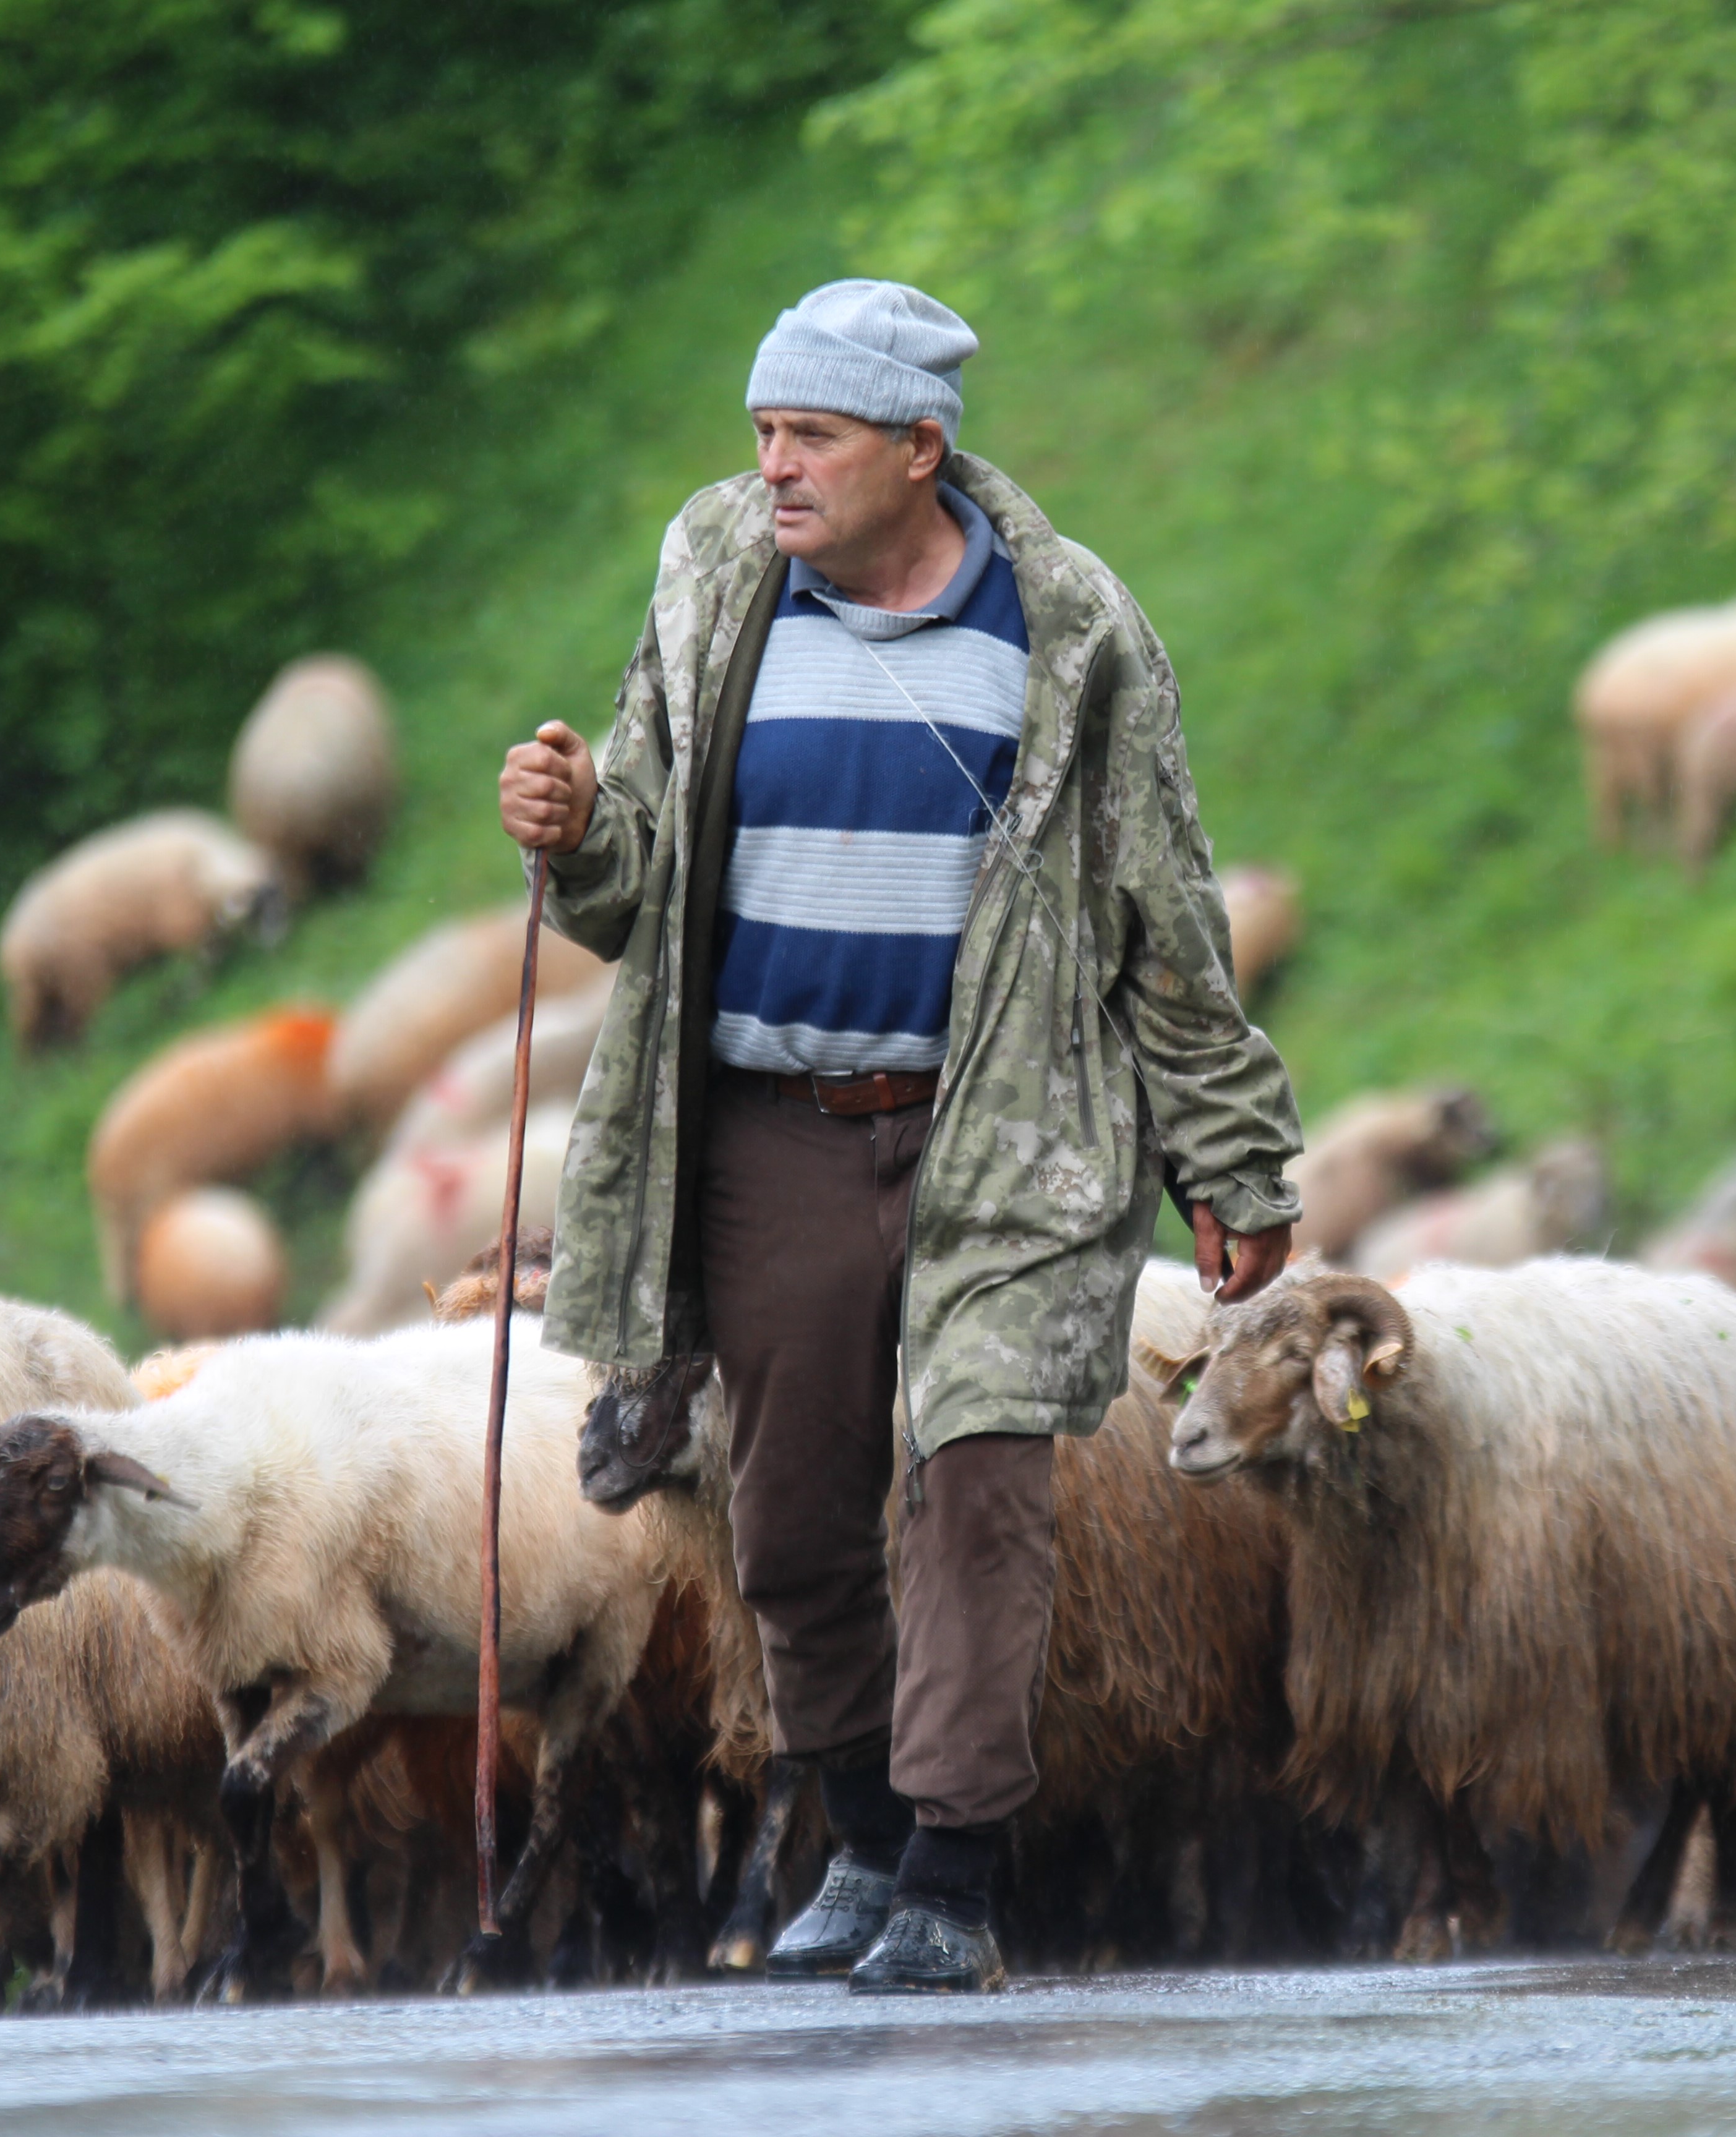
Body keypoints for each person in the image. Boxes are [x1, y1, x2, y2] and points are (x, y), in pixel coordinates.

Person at [500, 279, 1301, 1993]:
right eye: (764, 435)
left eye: (814, 437)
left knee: (981, 1483)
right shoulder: (717, 581)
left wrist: (1230, 1159)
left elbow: (1161, 903)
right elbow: (639, 874)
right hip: (771, 1128)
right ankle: (860, 1833)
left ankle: (952, 1870)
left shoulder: (1072, 625)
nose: (776, 468)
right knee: (789, 1519)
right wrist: (575, 835)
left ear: (919, 448)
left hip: (999, 1129)